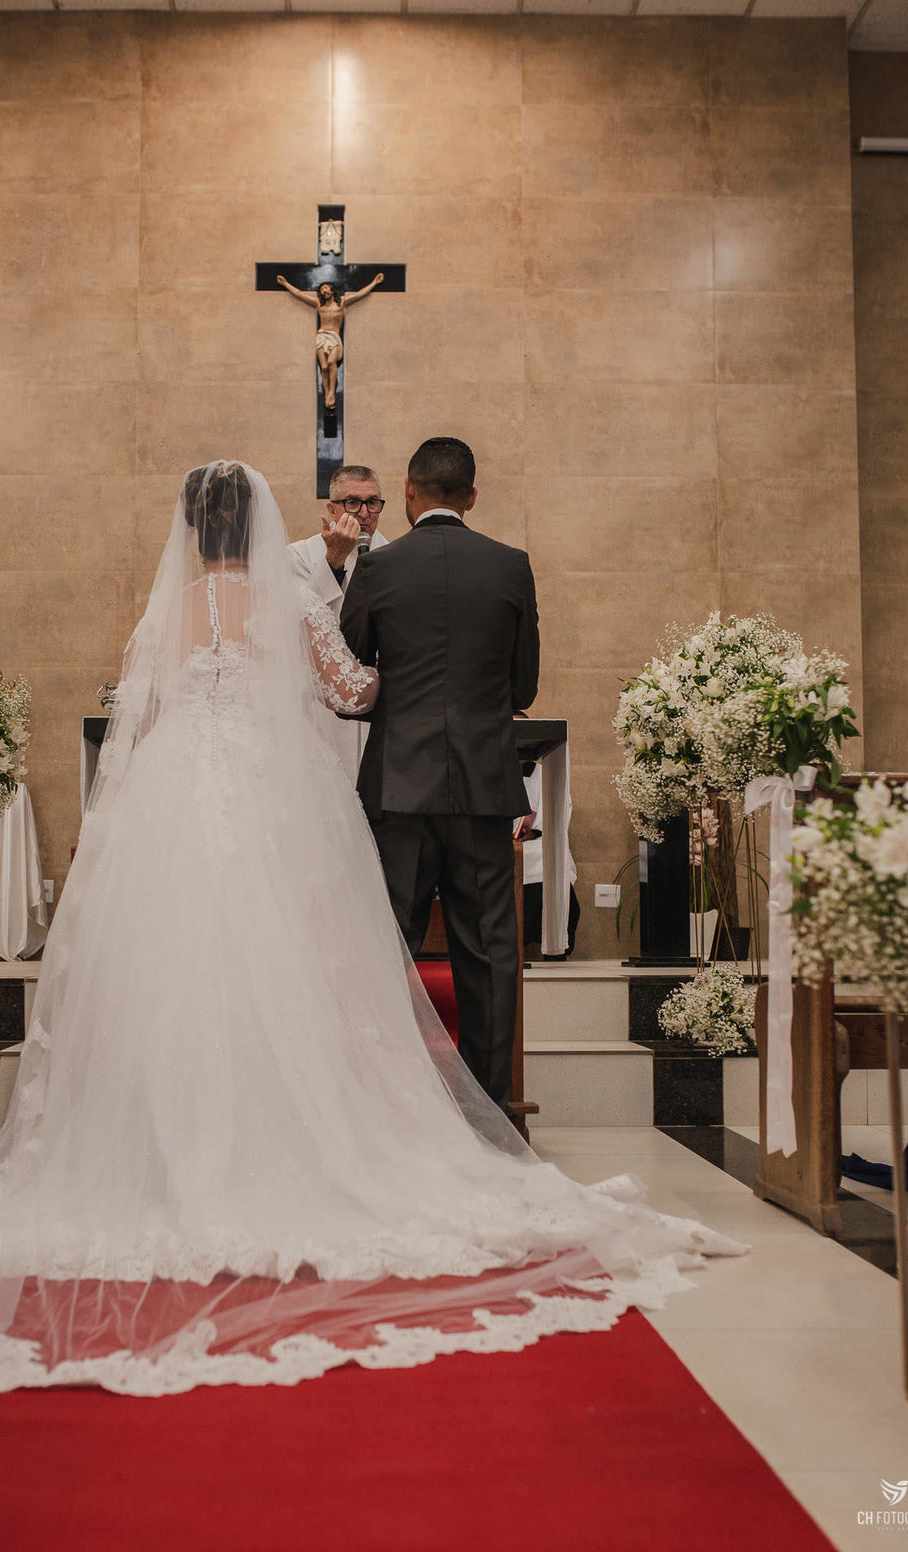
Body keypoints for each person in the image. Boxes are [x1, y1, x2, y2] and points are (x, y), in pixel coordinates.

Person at [0, 461, 743, 1396]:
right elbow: (356, 692)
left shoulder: (164, 614)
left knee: (169, 972)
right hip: (273, 805)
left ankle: (162, 1144)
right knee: (285, 966)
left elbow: (137, 718)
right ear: (258, 523)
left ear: (192, 531)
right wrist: (397, 670)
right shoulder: (292, 607)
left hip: (169, 811)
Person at [340, 438, 537, 1115]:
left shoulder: (378, 567)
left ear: (410, 492)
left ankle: (385, 1104)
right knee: (487, 950)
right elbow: (526, 684)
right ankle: (490, 1108)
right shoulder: (512, 567)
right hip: (482, 784)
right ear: (472, 496)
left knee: (385, 945)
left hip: (398, 786)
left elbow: (354, 665)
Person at [289, 464, 389, 776]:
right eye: (353, 502)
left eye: (372, 502)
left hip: (379, 701)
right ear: (332, 508)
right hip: (320, 705)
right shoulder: (299, 555)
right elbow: (296, 621)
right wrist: (333, 560)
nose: (364, 513)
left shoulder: (395, 555)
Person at [275, 273, 385, 411]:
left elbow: (359, 294)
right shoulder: (319, 304)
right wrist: (285, 283)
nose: (324, 291)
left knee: (332, 363)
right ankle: (327, 394)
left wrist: (374, 282)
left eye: (326, 288)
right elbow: (299, 294)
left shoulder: (342, 302)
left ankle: (332, 392)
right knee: (324, 368)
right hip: (321, 336)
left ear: (332, 290)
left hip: (334, 337)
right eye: (322, 290)